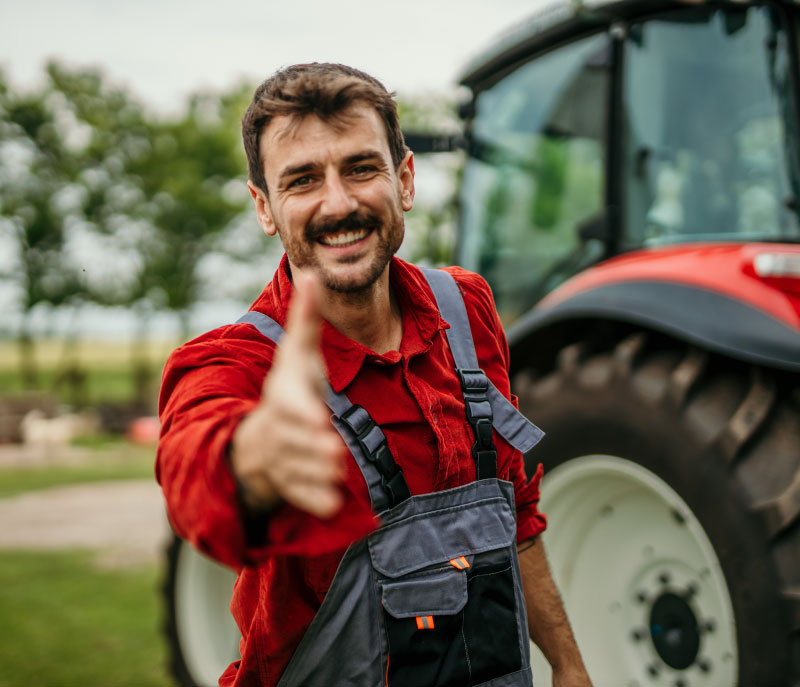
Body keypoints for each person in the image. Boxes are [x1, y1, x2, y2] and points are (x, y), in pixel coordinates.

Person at [157, 62, 591, 687]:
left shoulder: (466, 311)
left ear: (405, 178)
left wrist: (569, 665)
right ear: (265, 208)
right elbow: (196, 479)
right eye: (302, 180)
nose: (339, 204)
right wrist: (247, 464)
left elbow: (514, 516)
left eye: (361, 167)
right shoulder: (235, 362)